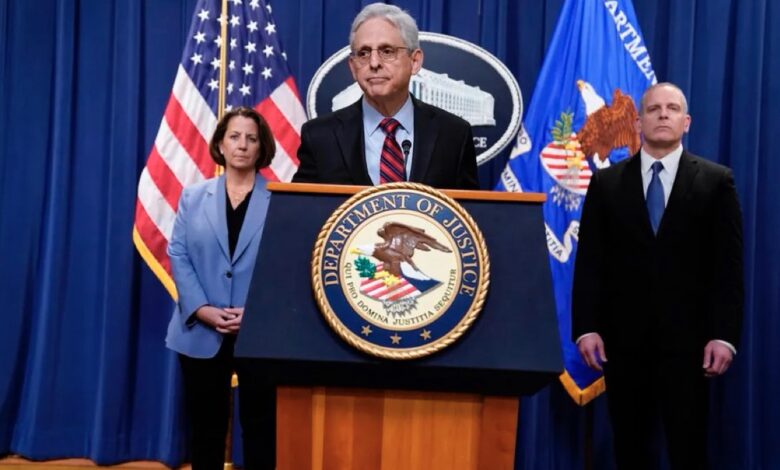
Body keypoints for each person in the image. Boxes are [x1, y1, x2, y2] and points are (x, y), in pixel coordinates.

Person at [572, 83, 744, 469]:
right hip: (623, 344)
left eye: (672, 108)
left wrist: (724, 335)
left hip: (691, 346)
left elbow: (728, 267)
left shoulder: (716, 181)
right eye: (653, 109)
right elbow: (590, 262)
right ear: (637, 122)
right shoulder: (607, 183)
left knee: (688, 450)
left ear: (687, 122)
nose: (663, 114)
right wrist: (586, 328)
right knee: (630, 451)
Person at [165, 107, 275, 470]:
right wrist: (201, 309)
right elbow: (178, 253)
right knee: (205, 429)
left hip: (258, 333)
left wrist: (257, 312)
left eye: (251, 138)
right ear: (221, 144)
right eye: (234, 136)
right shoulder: (192, 197)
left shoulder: (280, 199)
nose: (242, 145)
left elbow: (284, 265)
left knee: (261, 430)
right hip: (201, 331)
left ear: (261, 148)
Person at [292, 2, 479, 189]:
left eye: (387, 51)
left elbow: (468, 207)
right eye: (364, 53)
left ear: (414, 61)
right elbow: (302, 205)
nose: (374, 63)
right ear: (353, 67)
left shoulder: (454, 134)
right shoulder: (320, 136)